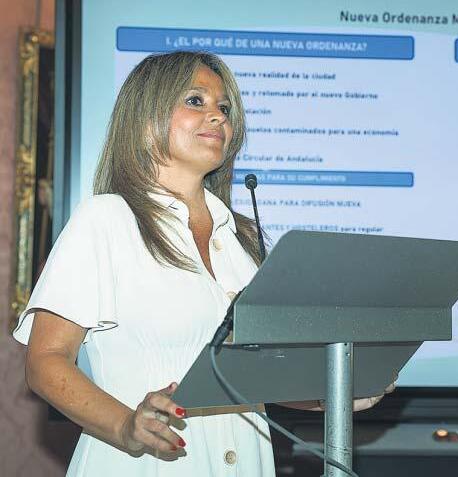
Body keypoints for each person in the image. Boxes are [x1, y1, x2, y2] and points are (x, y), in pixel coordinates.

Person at [13, 51, 392, 476]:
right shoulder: (105, 219)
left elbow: (250, 379)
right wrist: (126, 425)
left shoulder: (241, 239)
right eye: (196, 101)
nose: (217, 116)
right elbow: (45, 361)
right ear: (145, 122)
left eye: (224, 108)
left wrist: (335, 395)